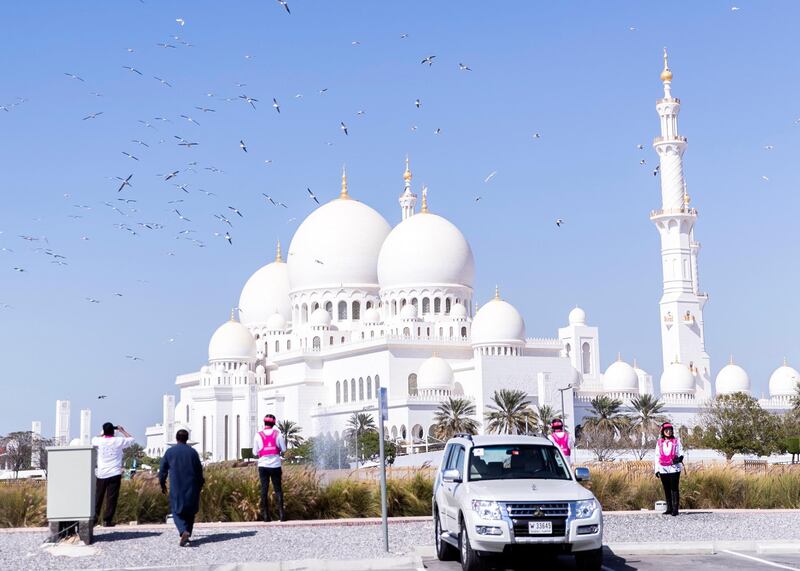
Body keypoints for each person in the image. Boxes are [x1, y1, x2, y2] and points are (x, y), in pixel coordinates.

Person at [159, 429, 205, 546]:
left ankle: (183, 531)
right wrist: (200, 484)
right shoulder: (193, 452)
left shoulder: (170, 452)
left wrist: (162, 483)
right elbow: (199, 471)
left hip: (177, 485)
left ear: (176, 438)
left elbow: (163, 470)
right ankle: (188, 532)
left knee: (177, 511)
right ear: (187, 438)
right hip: (192, 486)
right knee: (190, 511)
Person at [91, 422, 134, 527]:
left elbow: (94, 439)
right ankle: (107, 520)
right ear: (113, 431)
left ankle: (94, 519)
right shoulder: (118, 441)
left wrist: (102, 434)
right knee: (111, 498)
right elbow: (131, 439)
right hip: (114, 473)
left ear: (104, 431)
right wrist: (122, 430)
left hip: (102, 474)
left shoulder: (99, 441)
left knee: (98, 497)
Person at [253, 414, 286, 522]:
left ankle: (266, 516)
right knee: (278, 489)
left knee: (264, 489)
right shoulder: (278, 434)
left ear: (264, 423)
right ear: (273, 423)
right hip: (275, 465)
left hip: (263, 466)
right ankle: (281, 515)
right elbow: (284, 449)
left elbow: (254, 451)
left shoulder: (258, 435)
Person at [654, 422, 684, 516]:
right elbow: (656, 456)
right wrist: (657, 470)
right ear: (663, 431)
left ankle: (675, 509)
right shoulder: (659, 442)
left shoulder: (676, 441)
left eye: (670, 430)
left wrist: (679, 458)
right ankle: (669, 508)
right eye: (666, 430)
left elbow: (681, 451)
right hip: (663, 468)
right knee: (666, 488)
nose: (668, 432)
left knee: (674, 488)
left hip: (674, 468)